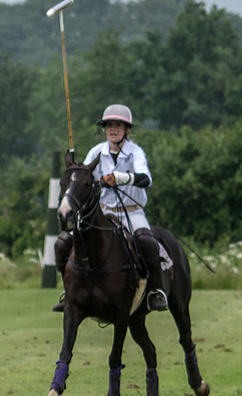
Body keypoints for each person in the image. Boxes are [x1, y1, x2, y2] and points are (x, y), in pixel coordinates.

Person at [53, 104, 169, 312]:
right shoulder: (96, 152)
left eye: (118, 125)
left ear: (127, 130)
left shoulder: (135, 153)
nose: (112, 130)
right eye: (108, 126)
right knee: (62, 244)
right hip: (103, 213)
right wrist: (74, 166)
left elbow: (146, 179)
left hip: (132, 212)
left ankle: (156, 292)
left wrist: (119, 178)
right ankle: (69, 292)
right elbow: (83, 176)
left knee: (146, 243)